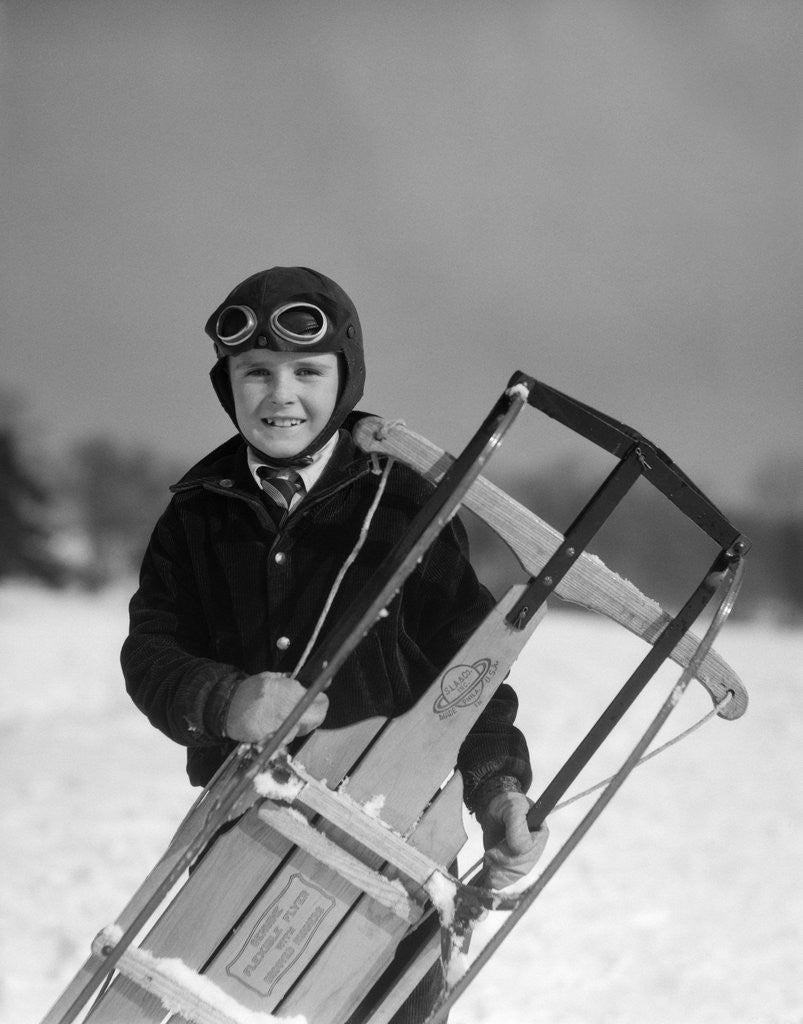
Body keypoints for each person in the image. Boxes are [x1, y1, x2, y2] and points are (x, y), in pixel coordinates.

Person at [121, 265, 546, 1021]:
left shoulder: (409, 499)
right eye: (255, 372)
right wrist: (222, 699)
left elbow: (467, 670)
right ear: (228, 383)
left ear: (343, 378)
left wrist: (497, 789)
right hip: (246, 833)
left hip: (398, 841)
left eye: (307, 371)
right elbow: (150, 657)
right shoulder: (195, 517)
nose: (280, 394)